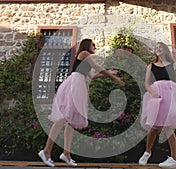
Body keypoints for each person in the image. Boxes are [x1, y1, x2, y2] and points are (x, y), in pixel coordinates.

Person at [38, 38, 125, 167]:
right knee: (63, 118)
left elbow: (93, 76)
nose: (95, 47)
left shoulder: (85, 60)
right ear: (86, 45)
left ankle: (66, 153)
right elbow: (98, 67)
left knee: (71, 121)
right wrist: (114, 78)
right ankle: (46, 151)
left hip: (79, 85)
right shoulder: (84, 54)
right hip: (74, 84)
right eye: (93, 45)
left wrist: (109, 74)